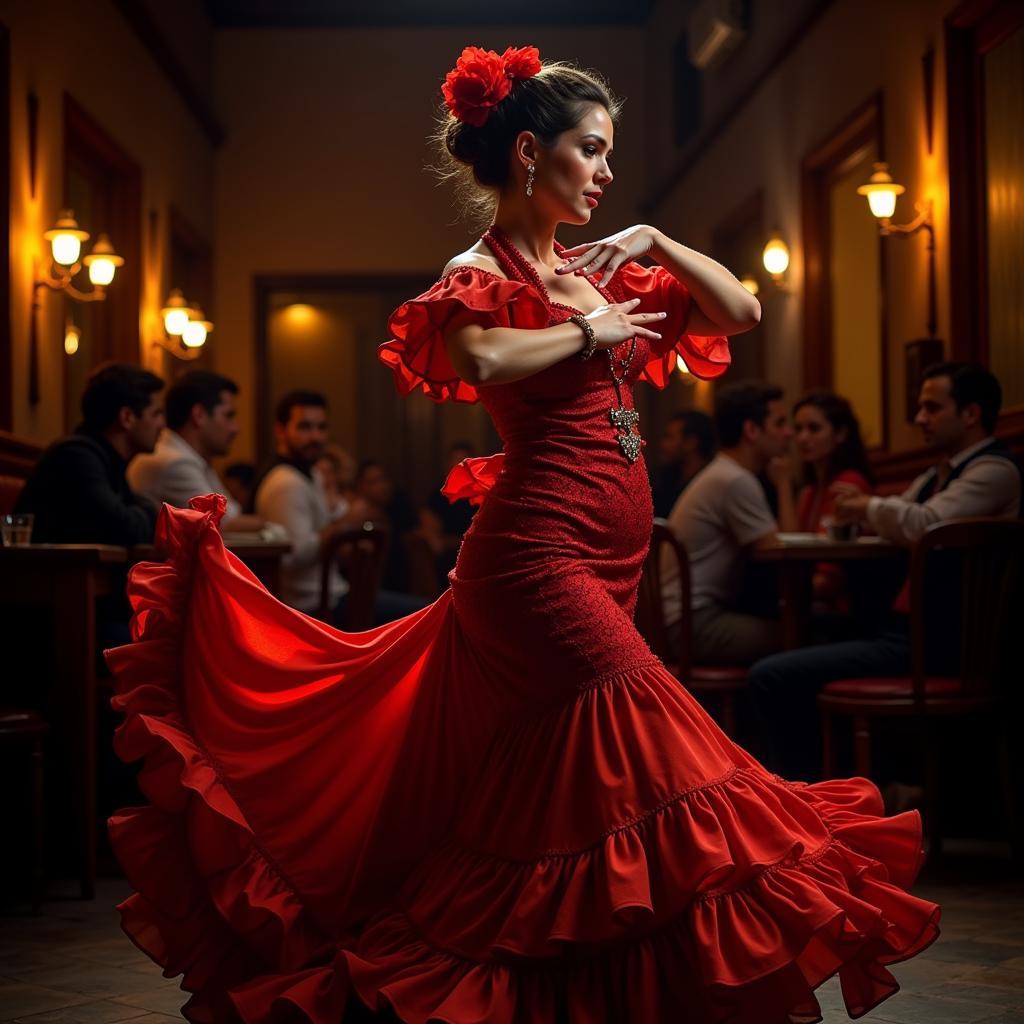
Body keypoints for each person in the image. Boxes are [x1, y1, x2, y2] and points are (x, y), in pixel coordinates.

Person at [106, 48, 938, 1023]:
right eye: (592, 150)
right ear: (533, 151)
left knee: (568, 792)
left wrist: (659, 242)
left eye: (611, 154)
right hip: (534, 563)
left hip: (610, 558)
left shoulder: (595, 269)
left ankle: (543, 988)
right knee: (651, 735)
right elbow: (483, 354)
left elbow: (741, 308)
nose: (605, 171)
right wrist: (593, 333)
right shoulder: (480, 271)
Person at [749, 361, 1020, 782]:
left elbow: (924, 522)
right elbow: (897, 520)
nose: (919, 419)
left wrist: (866, 507)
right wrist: (871, 513)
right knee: (785, 666)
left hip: (946, 646)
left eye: (932, 408)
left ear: (971, 413)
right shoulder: (936, 474)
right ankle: (832, 792)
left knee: (773, 675)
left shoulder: (995, 470)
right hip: (908, 634)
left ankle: (807, 802)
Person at [662, 381, 794, 665]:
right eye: (780, 423)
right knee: (800, 635)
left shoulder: (723, 473)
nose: (789, 433)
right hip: (694, 624)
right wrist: (784, 484)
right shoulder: (735, 480)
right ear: (751, 430)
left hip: (676, 620)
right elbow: (781, 552)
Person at [17, 362, 163, 546]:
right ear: (127, 417)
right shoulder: (76, 457)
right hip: (45, 573)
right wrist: (152, 512)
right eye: (156, 414)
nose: (162, 425)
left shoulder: (106, 459)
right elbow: (122, 529)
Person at [127, 370, 263, 531]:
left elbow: (232, 515)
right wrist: (274, 526)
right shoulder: (174, 462)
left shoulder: (193, 459)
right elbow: (224, 523)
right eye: (228, 415)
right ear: (199, 415)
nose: (236, 428)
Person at [791, 390, 872, 533]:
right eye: (798, 429)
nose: (802, 438)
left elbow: (826, 544)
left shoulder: (848, 482)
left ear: (840, 433)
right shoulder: (810, 490)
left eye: (814, 428)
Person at [651, 410, 716, 517]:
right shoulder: (662, 478)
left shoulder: (711, 484)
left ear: (691, 443)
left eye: (670, 437)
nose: (663, 445)